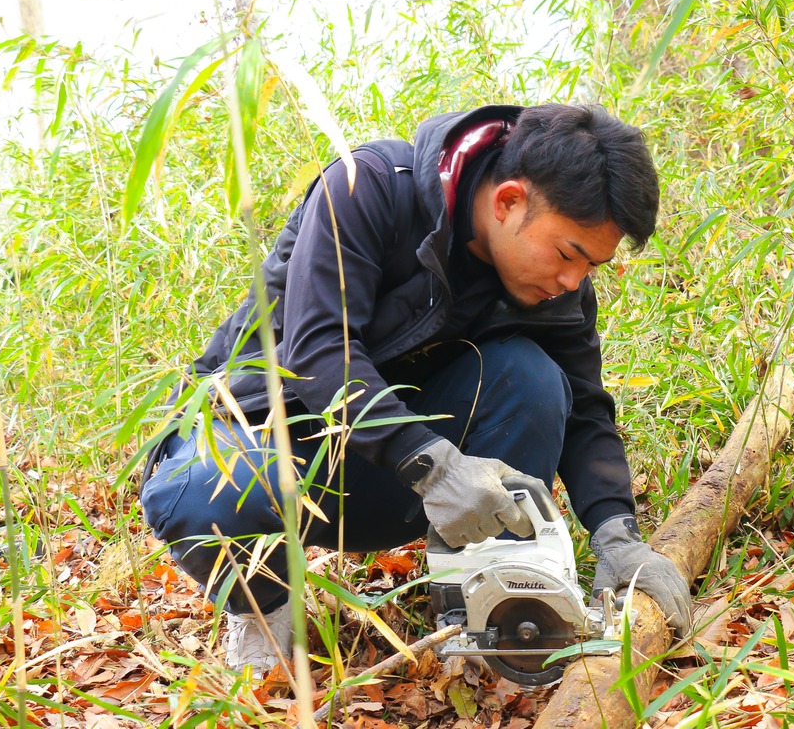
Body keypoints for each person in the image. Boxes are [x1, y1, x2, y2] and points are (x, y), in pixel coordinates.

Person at [139, 103, 692, 676]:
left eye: (591, 268)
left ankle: (479, 609)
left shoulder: (557, 290)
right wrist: (431, 466)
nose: (572, 282)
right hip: (269, 446)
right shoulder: (368, 188)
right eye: (567, 254)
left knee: (534, 379)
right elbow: (321, 350)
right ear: (508, 202)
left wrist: (615, 534)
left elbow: (586, 411)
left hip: (405, 482)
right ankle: (266, 612)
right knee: (200, 492)